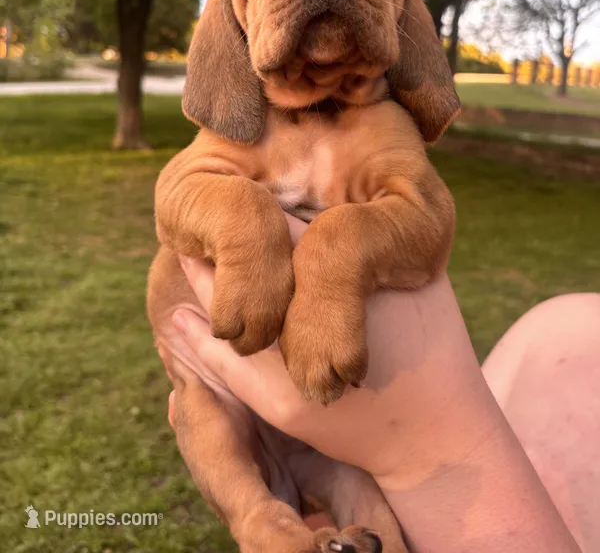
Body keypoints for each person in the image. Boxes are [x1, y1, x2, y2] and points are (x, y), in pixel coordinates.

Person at [163, 214, 600, 553]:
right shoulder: (558, 330)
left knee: (347, 492)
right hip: (264, 410)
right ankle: (270, 527)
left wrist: (405, 452)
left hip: (329, 439)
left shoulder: (562, 331)